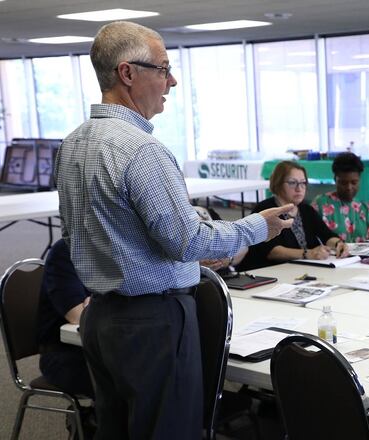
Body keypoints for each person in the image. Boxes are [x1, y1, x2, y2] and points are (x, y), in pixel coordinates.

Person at [53, 21, 293, 438]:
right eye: (163, 69)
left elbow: (82, 234)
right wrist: (257, 226)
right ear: (127, 74)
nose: (173, 81)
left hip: (100, 317)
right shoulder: (143, 151)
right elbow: (188, 241)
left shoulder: (74, 142)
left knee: (116, 430)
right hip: (154, 322)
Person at [237, 161, 349, 270]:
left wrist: (338, 244)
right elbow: (272, 251)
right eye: (292, 183)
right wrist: (308, 253)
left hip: (298, 270)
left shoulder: (306, 209)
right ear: (278, 183)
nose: (299, 188)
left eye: (303, 183)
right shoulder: (266, 209)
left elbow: (327, 235)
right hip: (265, 272)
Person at [37, 239, 93, 398]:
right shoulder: (67, 250)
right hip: (65, 354)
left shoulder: (123, 249)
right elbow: (78, 316)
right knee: (133, 376)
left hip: (102, 348)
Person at [311, 152, 369, 243]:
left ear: (360, 180)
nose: (349, 187)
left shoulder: (365, 209)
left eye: (354, 182)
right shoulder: (320, 205)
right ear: (335, 179)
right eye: (343, 183)